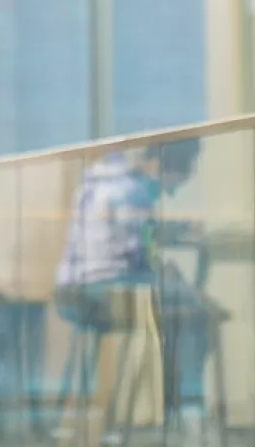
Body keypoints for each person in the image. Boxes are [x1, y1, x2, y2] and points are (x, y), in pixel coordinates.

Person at [51, 138, 215, 405]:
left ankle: (170, 406)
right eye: (169, 186)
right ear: (161, 166)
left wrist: (174, 234)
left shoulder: (97, 182)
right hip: (106, 294)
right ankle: (185, 404)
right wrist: (176, 282)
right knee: (198, 314)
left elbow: (126, 235)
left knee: (180, 300)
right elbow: (138, 259)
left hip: (70, 292)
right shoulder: (134, 191)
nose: (164, 193)